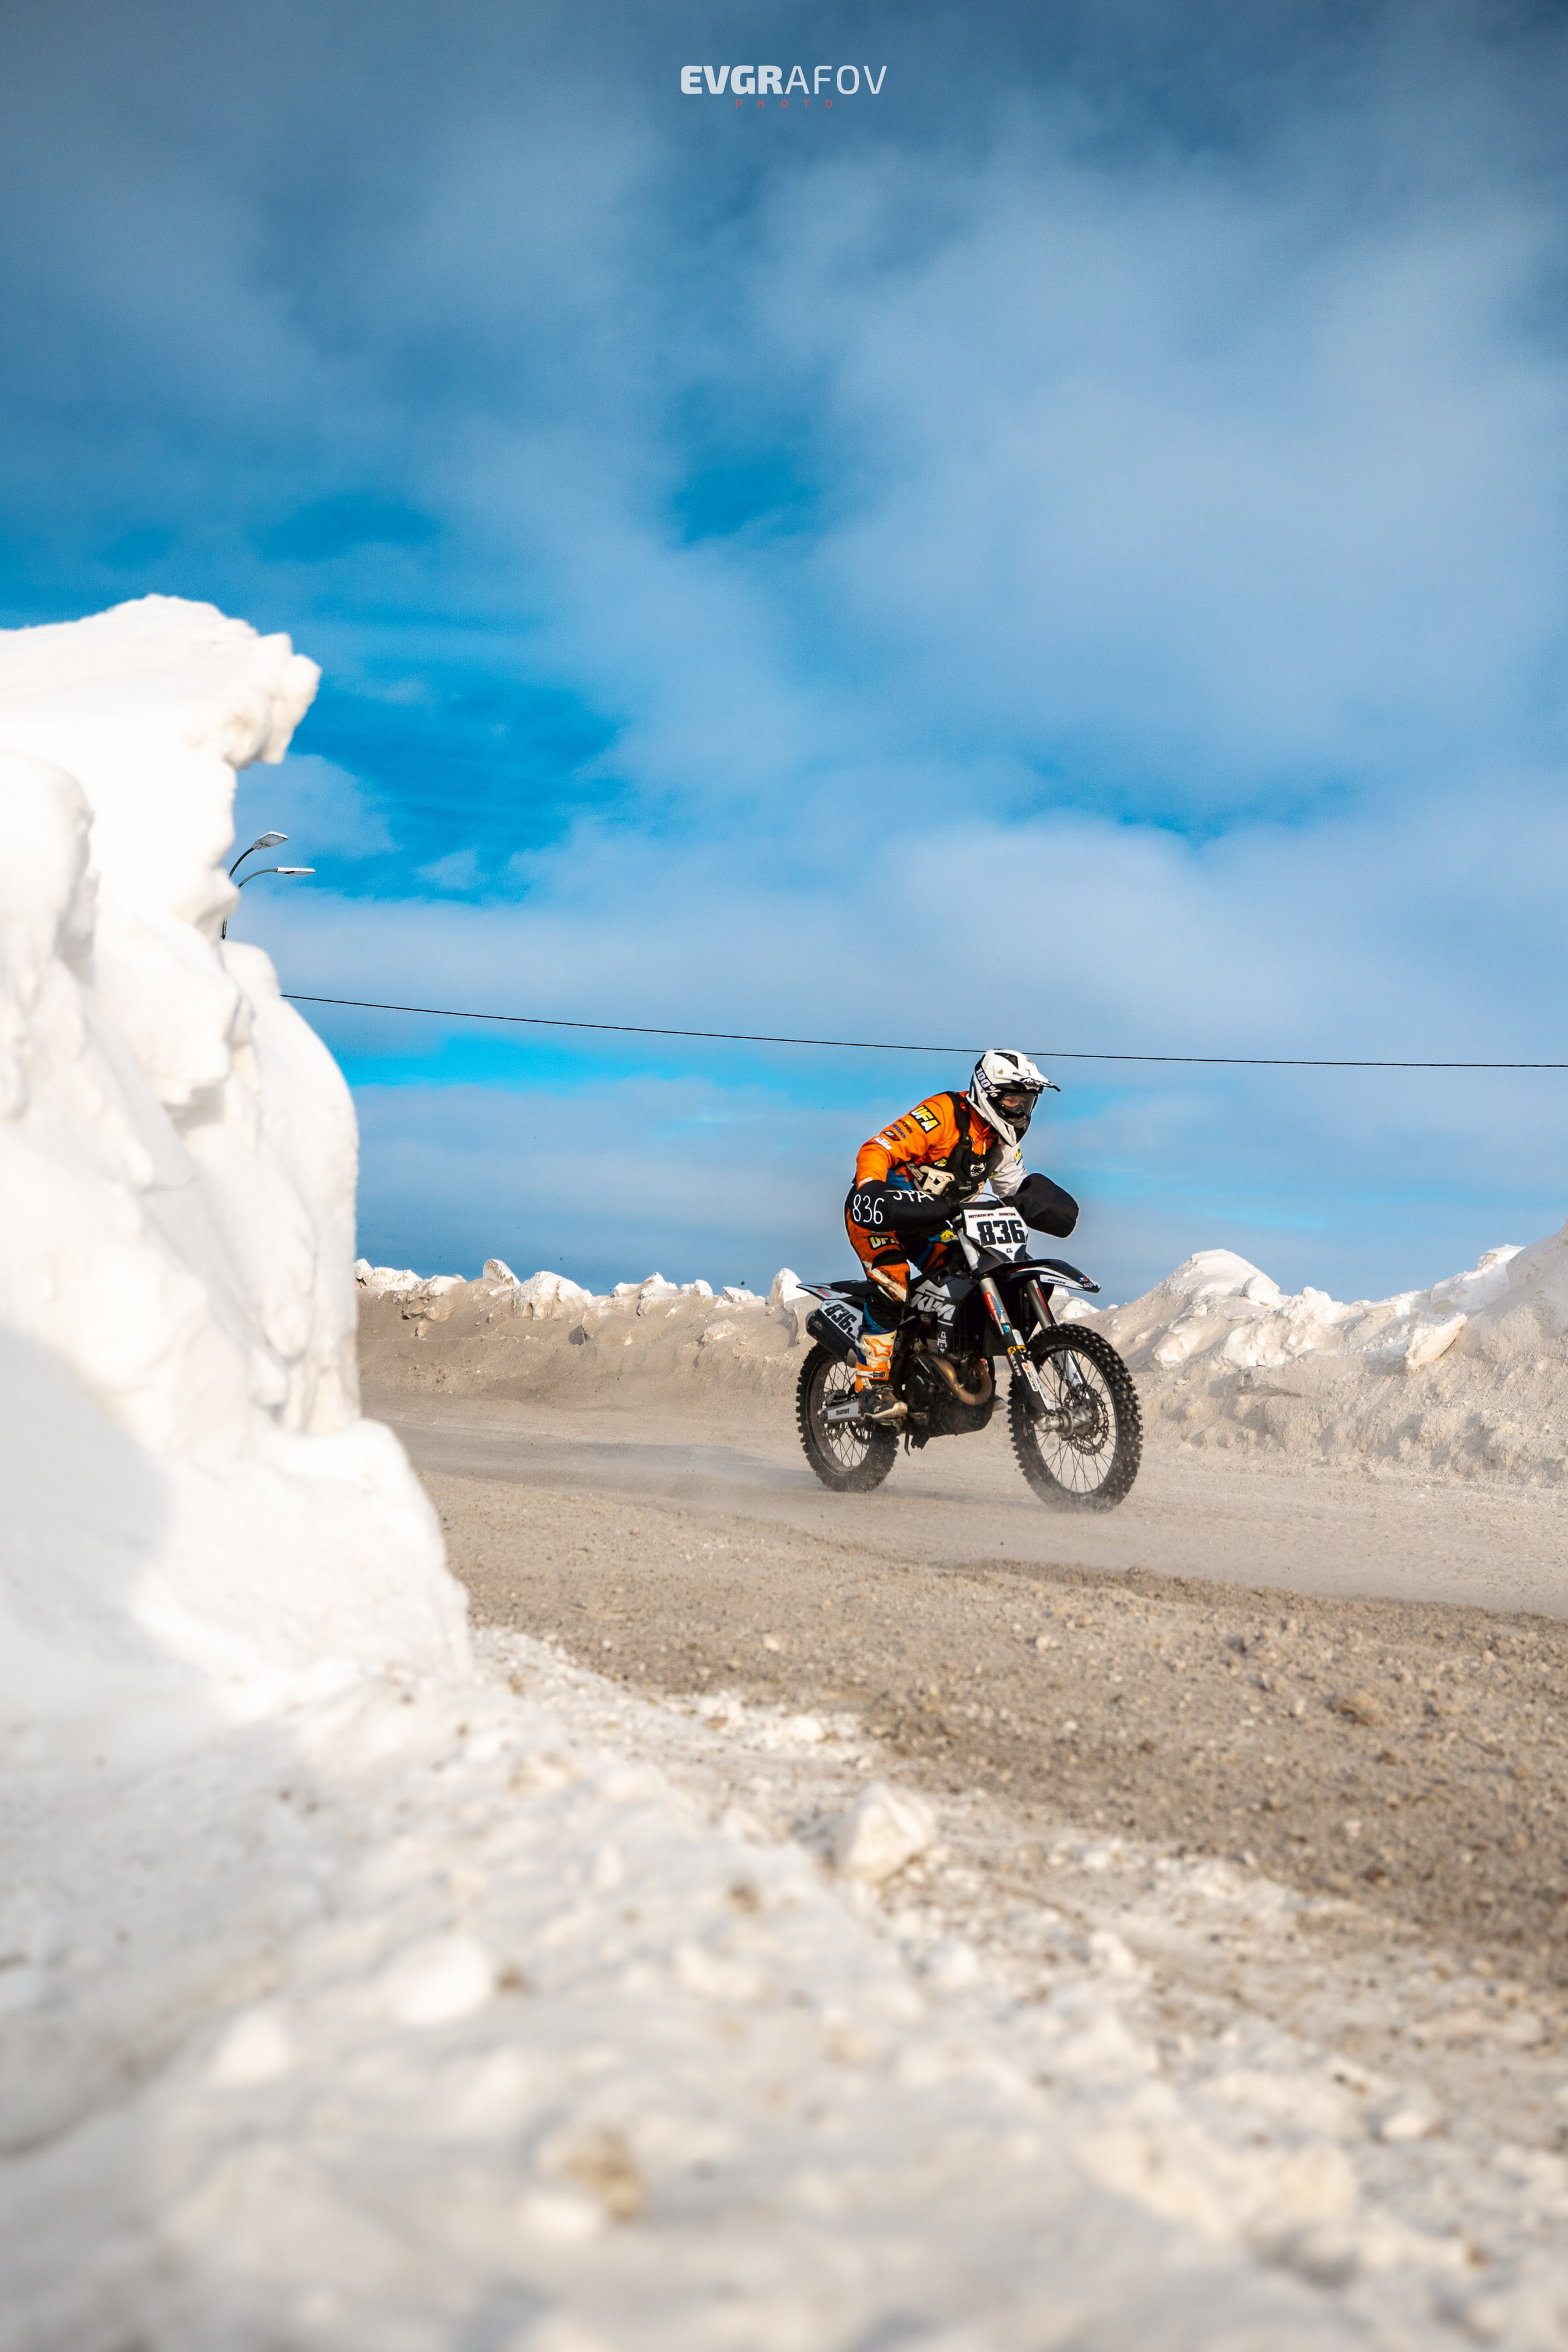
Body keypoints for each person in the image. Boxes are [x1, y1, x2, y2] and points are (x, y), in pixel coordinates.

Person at [843, 1049, 1079, 1420]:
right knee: (894, 1283)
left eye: (1028, 1102)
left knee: (967, 1278)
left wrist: (1037, 1202)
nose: (1021, 1111)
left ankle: (955, 1370)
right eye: (1013, 1099)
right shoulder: (943, 1115)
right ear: (988, 1092)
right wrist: (870, 1186)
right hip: (881, 1213)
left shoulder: (1001, 1145)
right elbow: (878, 1147)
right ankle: (871, 1386)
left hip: (935, 1223)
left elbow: (1012, 1187)